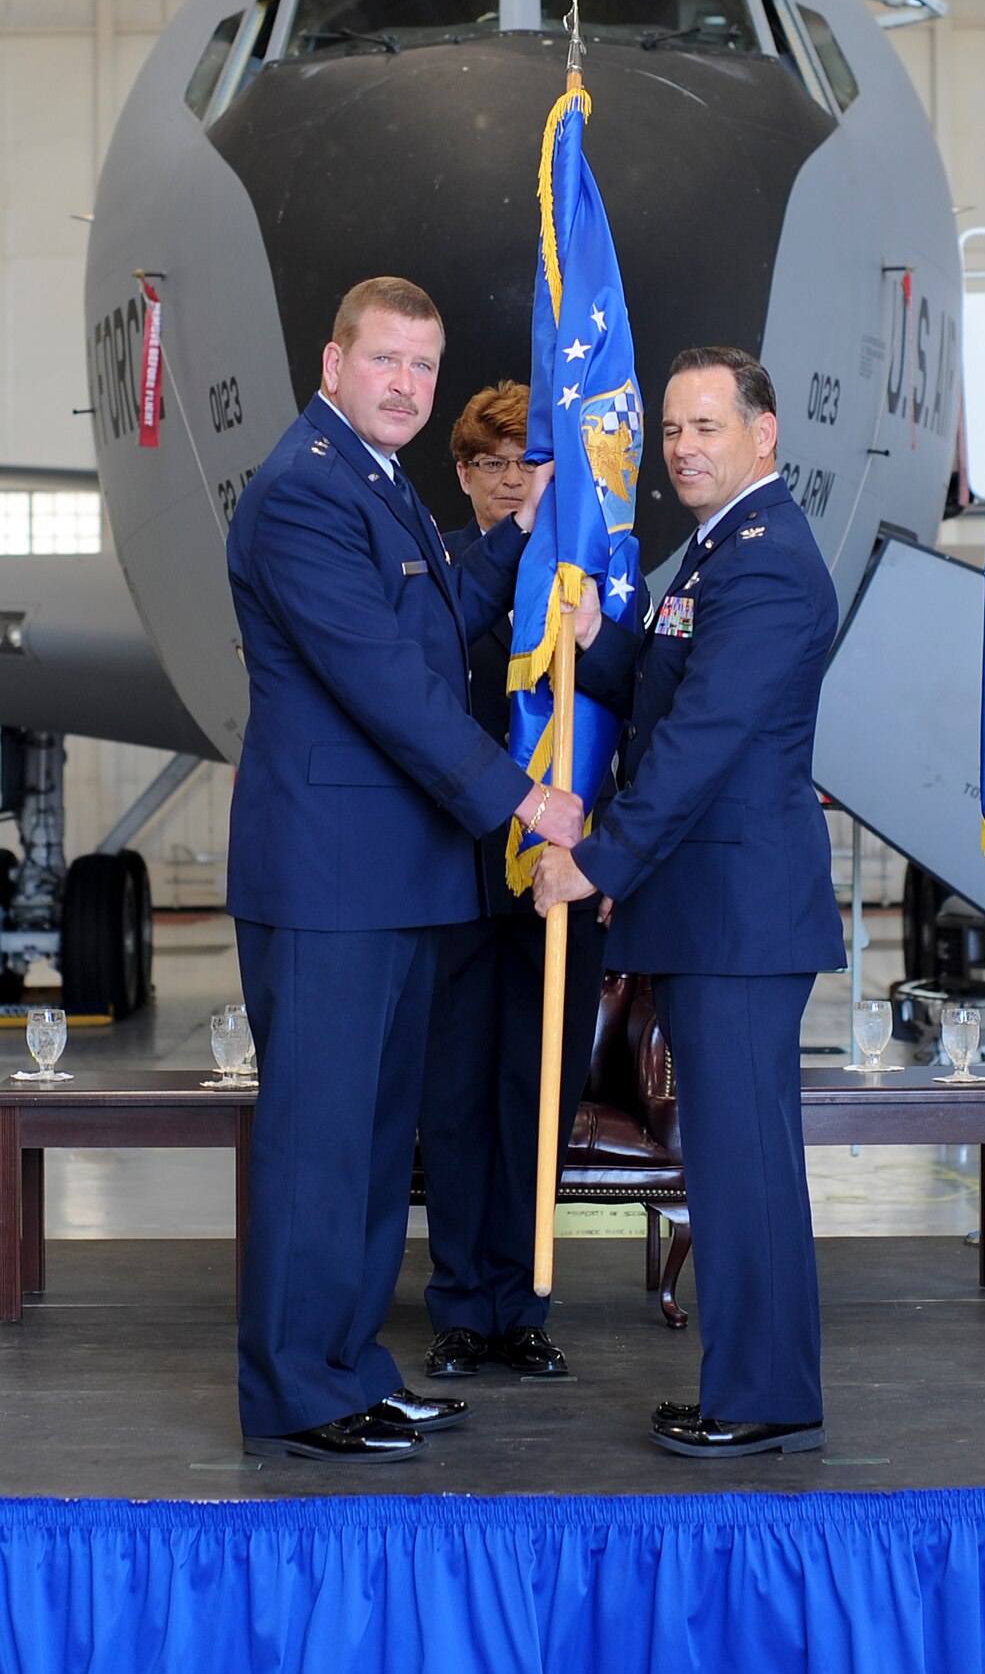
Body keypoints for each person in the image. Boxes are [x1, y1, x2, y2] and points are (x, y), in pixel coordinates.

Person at [226, 277, 583, 1464]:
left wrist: (530, 525)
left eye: (423, 368)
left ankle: (347, 1366)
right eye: (385, 361)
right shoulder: (301, 493)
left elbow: (450, 612)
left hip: (390, 881)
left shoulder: (381, 489)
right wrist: (518, 793)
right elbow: (388, 681)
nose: (407, 386)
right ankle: (294, 1387)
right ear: (332, 366)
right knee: (317, 1145)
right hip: (331, 883)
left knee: (376, 1148)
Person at [534, 346, 844, 1460]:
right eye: (670, 429)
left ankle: (761, 1393)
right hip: (719, 904)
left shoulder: (763, 562)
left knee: (743, 1157)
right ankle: (755, 1382)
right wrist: (600, 643)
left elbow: (704, 741)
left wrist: (599, 860)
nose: (681, 447)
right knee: (728, 1153)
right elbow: (675, 689)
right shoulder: (717, 556)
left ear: (763, 432)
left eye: (707, 425)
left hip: (737, 908)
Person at [419, 381, 608, 1381]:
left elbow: (628, 728)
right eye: (489, 462)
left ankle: (523, 1304)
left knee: (537, 1092)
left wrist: (610, 854)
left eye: (527, 462)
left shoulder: (587, 582)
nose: (508, 480)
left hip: (557, 883)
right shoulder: (436, 578)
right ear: (460, 474)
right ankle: (459, 1305)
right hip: (452, 878)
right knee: (452, 1100)